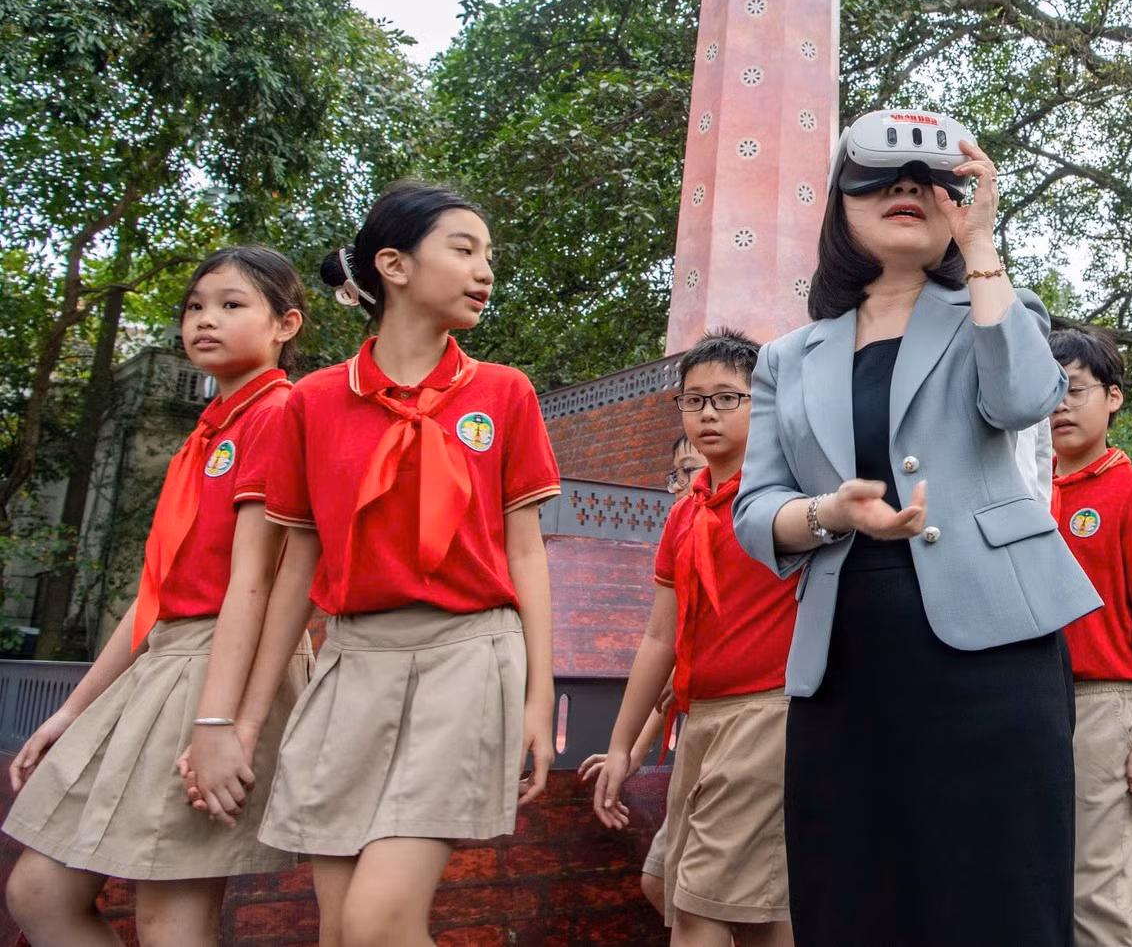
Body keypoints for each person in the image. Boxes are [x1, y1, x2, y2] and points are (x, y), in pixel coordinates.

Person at [733, 117, 1099, 947]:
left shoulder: (995, 303)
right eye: (877, 177)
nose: (904, 189)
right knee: (853, 894)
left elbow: (1020, 401)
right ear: (839, 207)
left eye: (928, 180)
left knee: (1000, 896)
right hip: (848, 661)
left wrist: (982, 248)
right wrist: (830, 513)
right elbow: (756, 510)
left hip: (996, 655)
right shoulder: (788, 357)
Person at [194, 182, 562, 946]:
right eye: (464, 250)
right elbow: (295, 576)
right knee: (336, 932)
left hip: (468, 655)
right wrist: (244, 723)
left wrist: (538, 695)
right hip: (351, 663)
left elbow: (526, 553)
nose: (484, 271)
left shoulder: (504, 394)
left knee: (376, 924)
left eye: (488, 256)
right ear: (393, 265)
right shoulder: (313, 403)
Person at [5, 247, 308, 945]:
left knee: (169, 918)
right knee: (40, 891)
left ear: (284, 324)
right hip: (164, 658)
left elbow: (254, 585)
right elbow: (153, 596)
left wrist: (221, 723)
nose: (205, 320)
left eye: (232, 305)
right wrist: (71, 713)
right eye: (195, 307)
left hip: (218, 666)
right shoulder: (202, 437)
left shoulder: (277, 414)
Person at [593, 329, 795, 945]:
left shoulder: (785, 500)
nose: (708, 412)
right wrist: (623, 746)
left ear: (766, 402)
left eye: (729, 398)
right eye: (694, 398)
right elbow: (660, 637)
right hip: (700, 720)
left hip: (769, 714)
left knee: (700, 907)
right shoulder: (685, 512)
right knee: (716, 901)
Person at [1046, 326, 1132, 947]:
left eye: (1074, 390)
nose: (1059, 406)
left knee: (1096, 896)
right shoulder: (1019, 485)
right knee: (1034, 883)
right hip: (1021, 703)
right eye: (1047, 390)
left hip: (1102, 707)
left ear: (1114, 398)